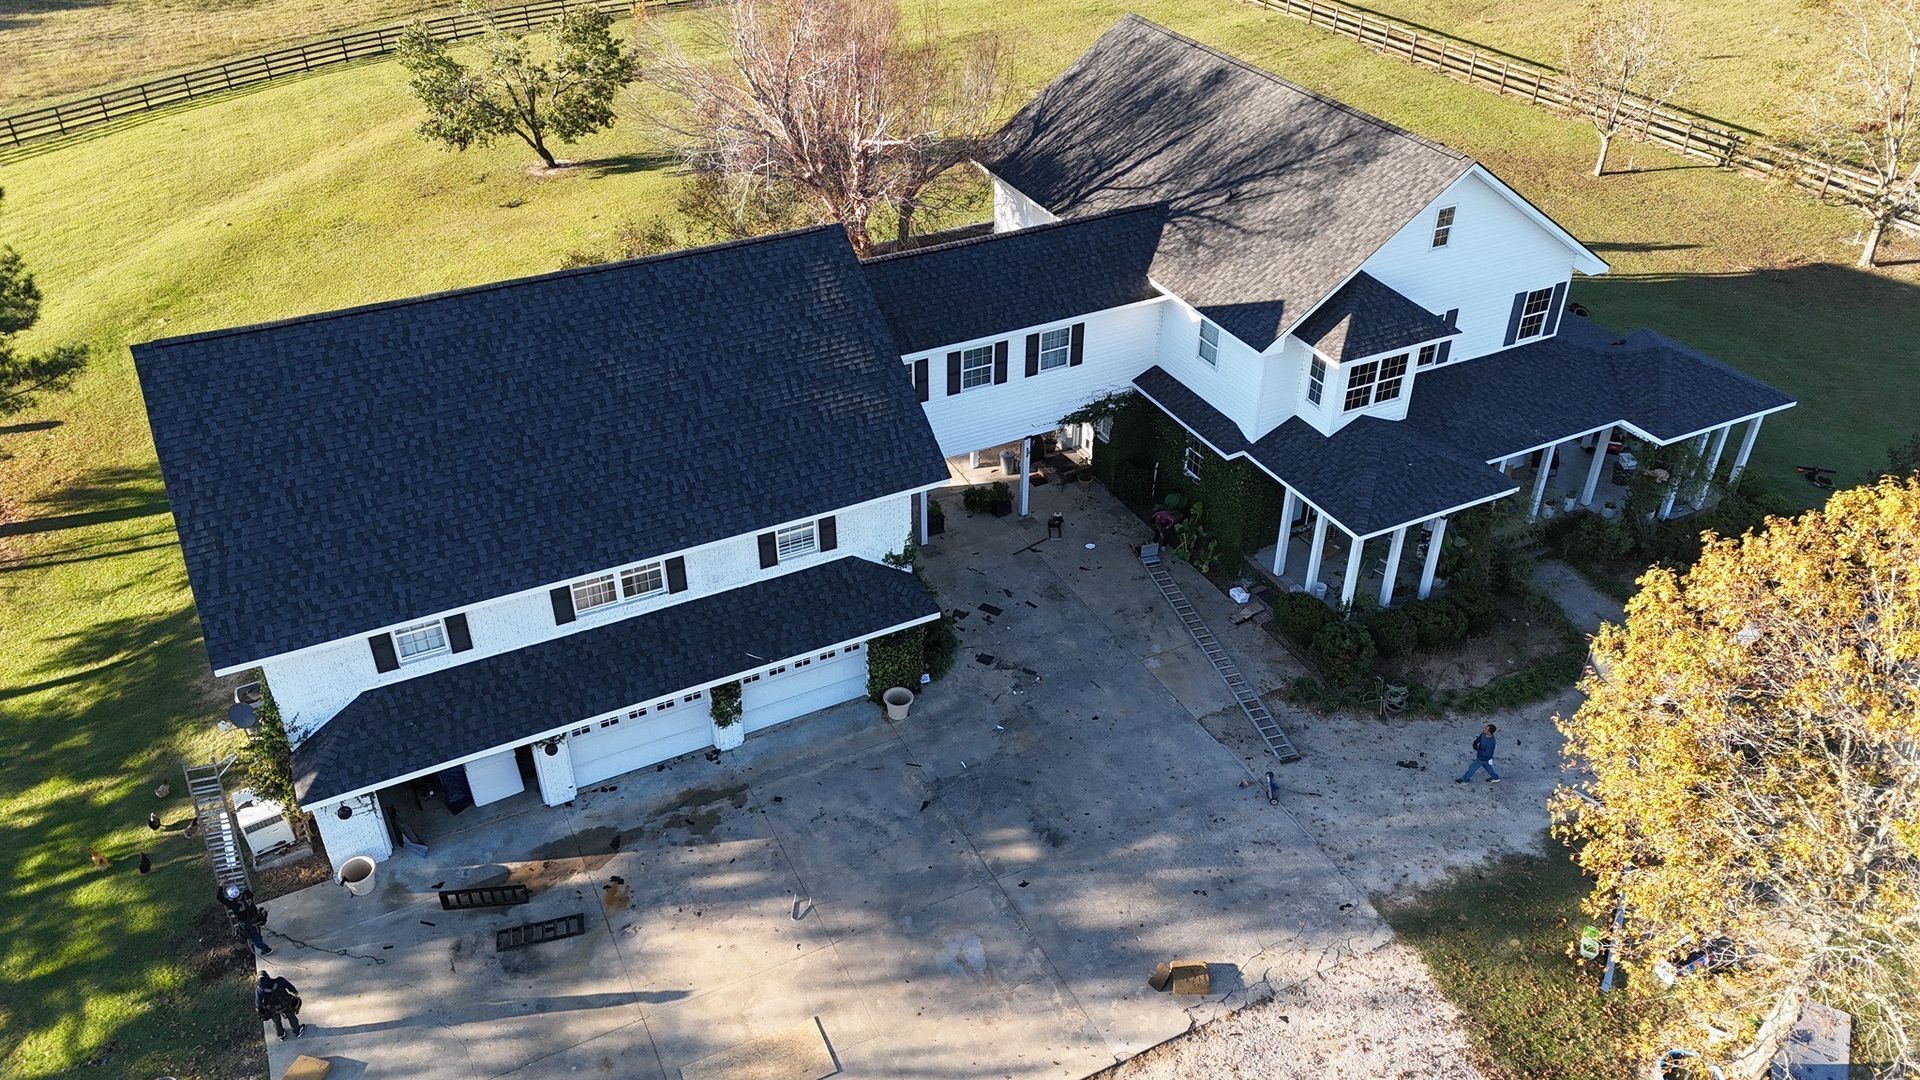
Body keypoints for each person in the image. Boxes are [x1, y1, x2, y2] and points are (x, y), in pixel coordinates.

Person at [220, 884, 271, 956]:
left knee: (254, 938)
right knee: (256, 932)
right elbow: (248, 891)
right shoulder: (247, 894)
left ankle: (266, 949)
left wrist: (221, 885)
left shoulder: (233, 905)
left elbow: (220, 898)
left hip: (247, 923)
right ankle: (259, 938)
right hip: (256, 918)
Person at [255, 971, 303, 1040]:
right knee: (291, 1017)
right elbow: (290, 987)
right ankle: (297, 1030)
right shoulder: (280, 981)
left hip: (272, 1009)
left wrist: (261, 1011)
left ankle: (281, 1035)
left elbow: (258, 1003)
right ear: (267, 976)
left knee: (276, 1022)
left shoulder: (259, 990)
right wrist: (295, 992)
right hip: (286, 1005)